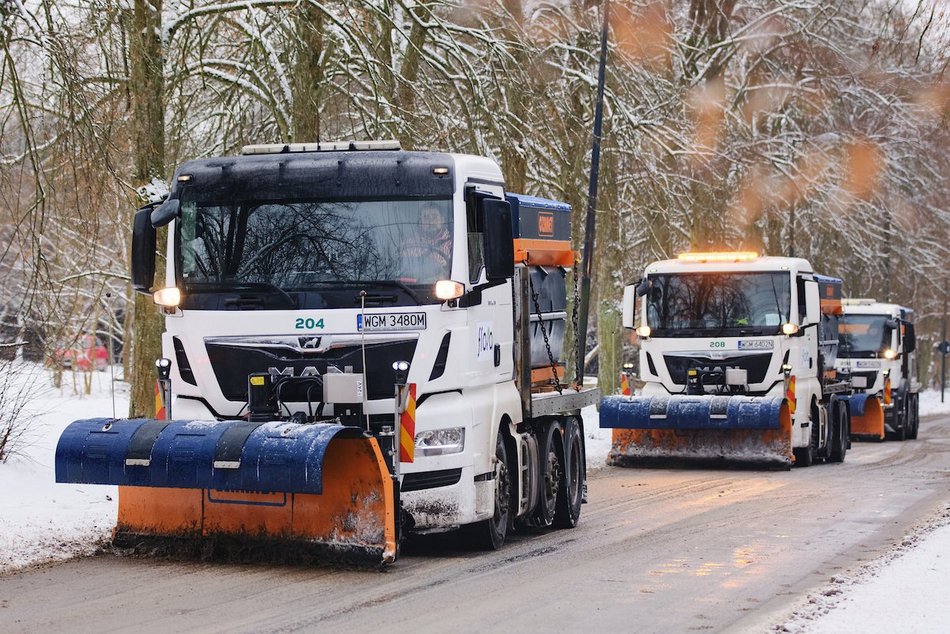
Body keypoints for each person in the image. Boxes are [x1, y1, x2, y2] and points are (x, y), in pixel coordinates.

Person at [404, 203, 452, 282]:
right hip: (412, 290)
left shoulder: (453, 245)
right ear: (420, 221)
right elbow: (401, 270)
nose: (430, 221)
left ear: (442, 220)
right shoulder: (407, 245)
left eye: (434, 217)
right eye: (426, 217)